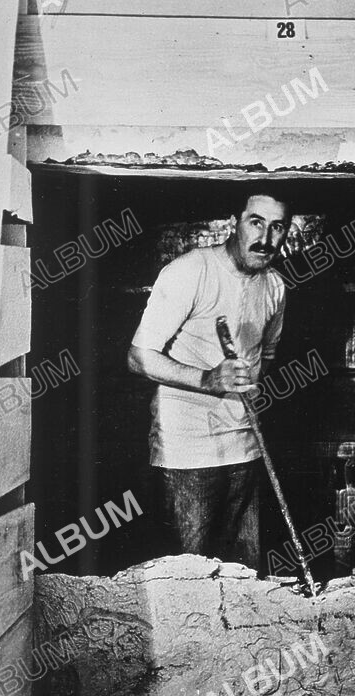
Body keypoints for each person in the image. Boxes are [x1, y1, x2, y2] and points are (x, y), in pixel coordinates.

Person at [127, 190, 290, 569]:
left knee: (243, 580)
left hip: (246, 449)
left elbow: (265, 356)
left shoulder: (276, 287)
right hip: (187, 453)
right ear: (235, 222)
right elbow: (138, 357)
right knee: (189, 580)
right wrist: (208, 378)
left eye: (277, 227)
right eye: (256, 222)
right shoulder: (191, 271)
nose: (266, 237)